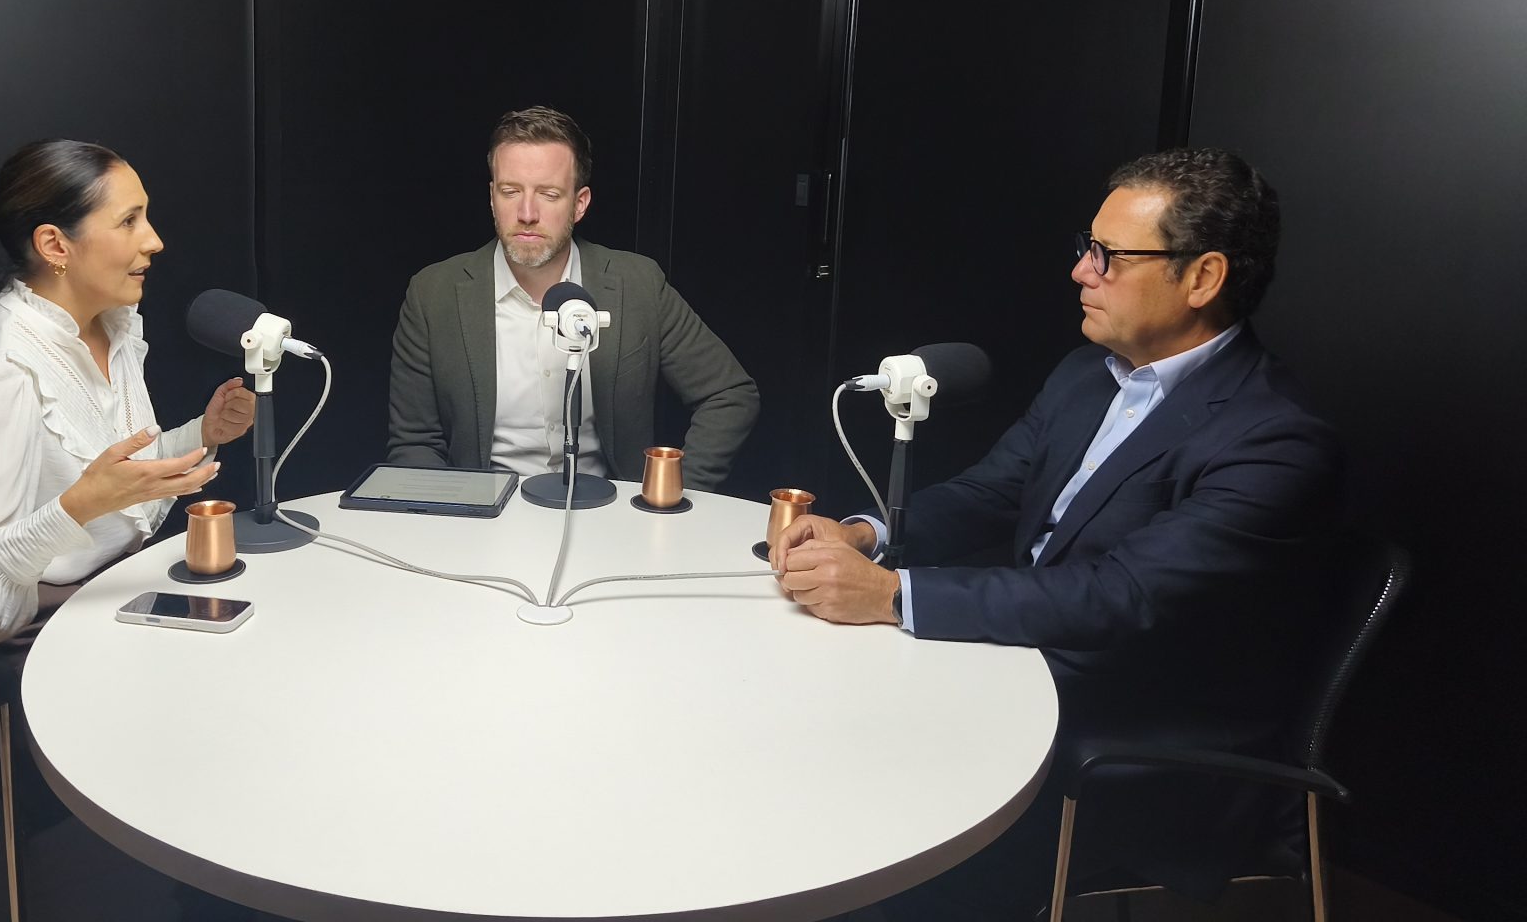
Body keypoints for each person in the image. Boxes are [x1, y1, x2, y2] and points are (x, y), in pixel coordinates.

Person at [772, 147, 1339, 918]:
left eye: (1110, 256)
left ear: (1203, 278)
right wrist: (864, 535)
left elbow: (1118, 597)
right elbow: (988, 492)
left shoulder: (1274, 437)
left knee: (864, 776)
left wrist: (891, 596)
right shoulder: (1085, 374)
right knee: (804, 712)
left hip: (1131, 731)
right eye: (1086, 248)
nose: (1081, 272)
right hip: (1026, 664)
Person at [0, 139, 256, 651]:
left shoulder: (111, 327)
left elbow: (113, 483)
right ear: (55, 246)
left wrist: (202, 434)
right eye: (129, 221)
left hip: (115, 594)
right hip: (35, 642)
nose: (155, 240)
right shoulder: (0, 368)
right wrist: (77, 507)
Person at [388, 106, 758, 493]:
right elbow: (414, 443)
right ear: (492, 197)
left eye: (549, 194)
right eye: (510, 192)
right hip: (486, 513)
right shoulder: (433, 294)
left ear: (579, 204)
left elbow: (730, 394)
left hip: (610, 513)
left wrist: (669, 496)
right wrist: (455, 514)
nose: (526, 213)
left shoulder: (638, 285)